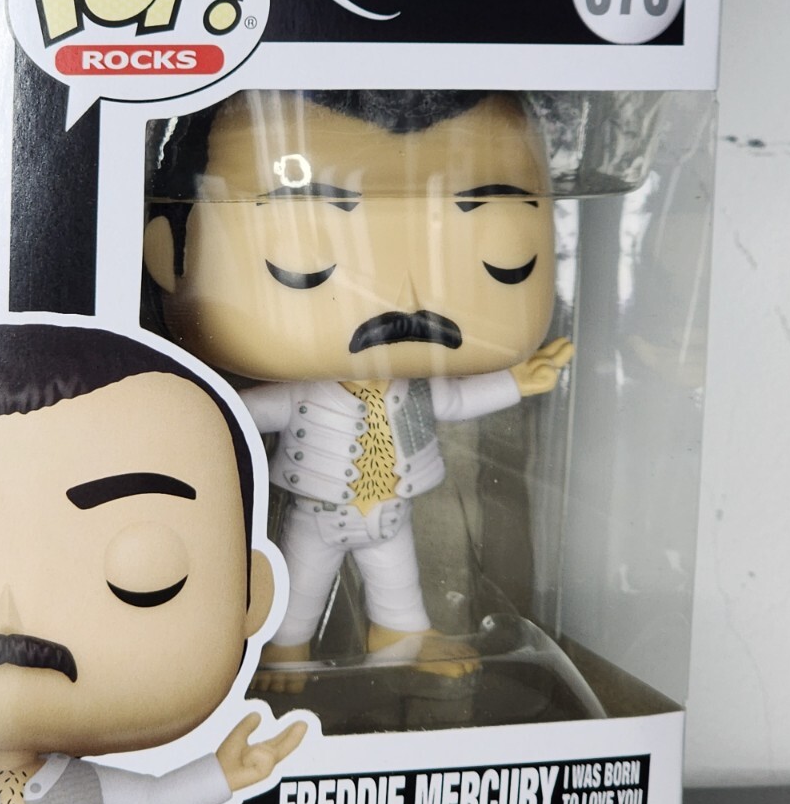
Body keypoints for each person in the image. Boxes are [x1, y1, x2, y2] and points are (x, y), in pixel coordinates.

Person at [143, 88, 573, 687]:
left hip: (390, 512)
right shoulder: (301, 393)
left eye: (504, 258)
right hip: (316, 513)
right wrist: (186, 410)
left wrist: (517, 382)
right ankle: (285, 647)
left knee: (398, 582)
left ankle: (401, 635)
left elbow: (454, 401)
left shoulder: (413, 391)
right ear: (167, 255)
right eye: (303, 261)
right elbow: (241, 413)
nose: (405, 302)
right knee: (300, 583)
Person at [0, 323, 304, 804]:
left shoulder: (80, 785)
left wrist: (222, 774)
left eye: (143, 576)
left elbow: (154, 803)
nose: (7, 611)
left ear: (252, 595)